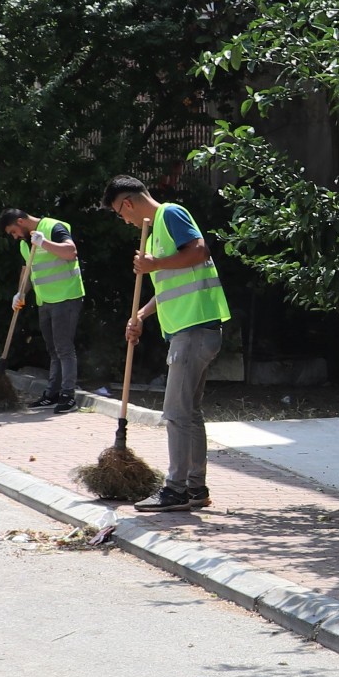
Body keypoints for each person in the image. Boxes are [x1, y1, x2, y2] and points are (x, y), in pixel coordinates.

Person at [102, 176, 228, 514]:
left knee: (175, 413)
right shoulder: (157, 230)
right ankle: (195, 488)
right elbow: (172, 284)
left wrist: (154, 263)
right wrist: (141, 315)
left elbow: (199, 251)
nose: (124, 220)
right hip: (191, 330)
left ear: (127, 203)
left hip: (194, 329)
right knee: (189, 413)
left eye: (119, 212)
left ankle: (175, 490)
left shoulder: (170, 214)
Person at [0, 207, 84, 412]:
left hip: (66, 296)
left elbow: (71, 252)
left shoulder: (53, 227)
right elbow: (27, 270)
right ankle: (52, 393)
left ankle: (68, 396)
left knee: (64, 348)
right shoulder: (25, 244)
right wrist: (21, 293)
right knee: (53, 349)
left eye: (13, 232)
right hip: (45, 300)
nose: (15, 237)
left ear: (20, 222)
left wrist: (43, 242)